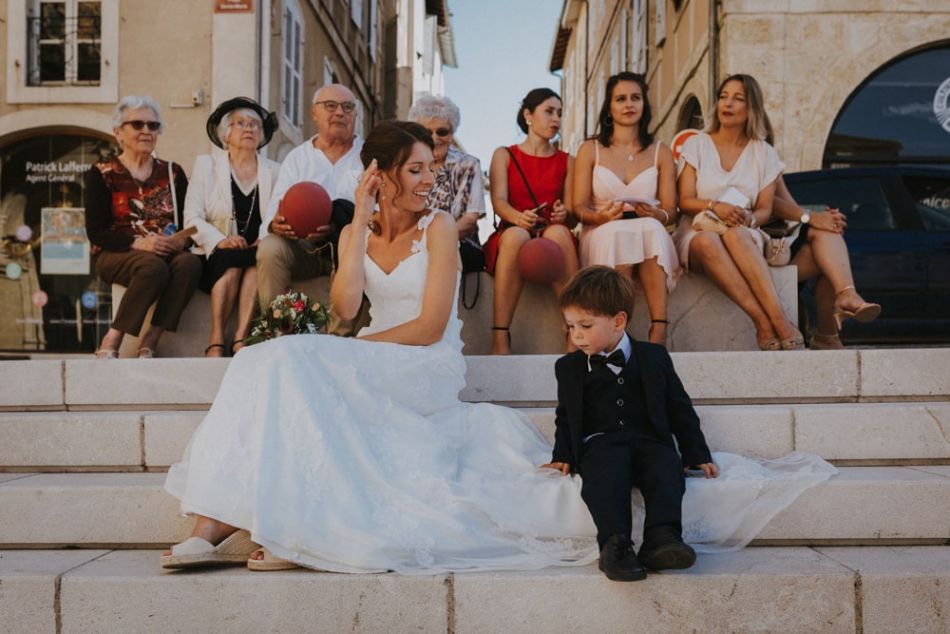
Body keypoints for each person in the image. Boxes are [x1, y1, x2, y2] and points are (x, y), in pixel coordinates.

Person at [161, 120, 597, 573]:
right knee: (256, 358)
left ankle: (281, 530)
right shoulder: (355, 232)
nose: (430, 180)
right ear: (381, 176)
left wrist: (353, 349)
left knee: (294, 358)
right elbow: (346, 307)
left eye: (431, 169)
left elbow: (430, 327)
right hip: (373, 355)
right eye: (415, 170)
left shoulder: (439, 226)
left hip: (426, 363)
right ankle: (214, 523)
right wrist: (357, 221)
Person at [542, 265, 836, 582]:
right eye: (570, 326)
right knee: (604, 476)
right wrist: (563, 455)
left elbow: (678, 407)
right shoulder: (569, 367)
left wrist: (695, 452)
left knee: (666, 469)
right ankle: (615, 545)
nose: (576, 335)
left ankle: (663, 537)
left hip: (650, 439)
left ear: (619, 321)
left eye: (585, 325)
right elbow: (566, 415)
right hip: (602, 442)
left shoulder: (654, 357)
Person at [675, 74, 804, 351]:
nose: (728, 103)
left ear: (751, 107)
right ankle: (764, 321)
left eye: (738, 98)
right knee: (707, 241)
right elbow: (684, 201)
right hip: (697, 230)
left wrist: (750, 218)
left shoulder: (764, 153)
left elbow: (765, 208)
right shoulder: (697, 144)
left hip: (744, 230)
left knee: (736, 235)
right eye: (723, 97)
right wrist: (715, 206)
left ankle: (779, 319)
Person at [84, 95, 201, 359]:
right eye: (137, 124)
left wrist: (180, 240)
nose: (146, 131)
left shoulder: (172, 172)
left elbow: (189, 220)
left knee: (189, 264)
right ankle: (113, 337)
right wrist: (139, 243)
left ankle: (152, 337)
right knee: (152, 267)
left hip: (165, 250)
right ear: (118, 132)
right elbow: (96, 232)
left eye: (153, 125)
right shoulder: (102, 172)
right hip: (116, 252)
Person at [572, 72, 680, 346]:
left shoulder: (660, 151)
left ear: (644, 104)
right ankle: (617, 331)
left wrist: (659, 214)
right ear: (609, 108)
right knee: (618, 233)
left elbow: (671, 210)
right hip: (601, 228)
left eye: (636, 98)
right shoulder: (590, 149)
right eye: (620, 99)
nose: (629, 104)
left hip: (647, 226)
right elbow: (578, 207)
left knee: (652, 229)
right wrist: (600, 216)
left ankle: (659, 330)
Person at [183, 97, 281, 356]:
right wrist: (220, 240)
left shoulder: (275, 171)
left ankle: (240, 339)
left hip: (256, 249)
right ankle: (216, 337)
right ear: (226, 134)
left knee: (257, 260)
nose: (249, 128)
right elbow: (192, 217)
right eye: (241, 123)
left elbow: (277, 213)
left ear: (261, 134)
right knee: (231, 261)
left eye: (255, 124)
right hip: (216, 253)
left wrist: (263, 238)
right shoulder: (206, 166)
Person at [485, 88, 579, 354]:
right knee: (516, 235)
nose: (556, 119)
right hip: (513, 229)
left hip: (553, 233)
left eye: (559, 113)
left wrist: (564, 214)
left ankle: (575, 331)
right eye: (549, 111)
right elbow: (499, 201)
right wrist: (519, 217)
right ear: (528, 115)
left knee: (558, 233)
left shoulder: (568, 161)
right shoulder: (504, 155)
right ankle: (500, 336)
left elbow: (572, 214)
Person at [256, 83, 363, 310]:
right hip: (305, 248)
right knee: (270, 248)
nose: (340, 112)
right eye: (331, 105)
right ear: (314, 112)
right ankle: (275, 326)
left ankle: (343, 330)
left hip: (352, 251)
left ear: (355, 114)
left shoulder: (368, 155)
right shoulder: (297, 158)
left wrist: (339, 224)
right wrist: (276, 225)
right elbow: (271, 217)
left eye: (347, 107)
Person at [772, 178, 881, 349]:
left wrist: (823, 218)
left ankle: (846, 296)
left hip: (778, 245)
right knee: (825, 245)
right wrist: (812, 217)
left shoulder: (766, 163)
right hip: (751, 247)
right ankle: (828, 334)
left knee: (828, 242)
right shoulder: (748, 164)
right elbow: (763, 202)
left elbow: (790, 206)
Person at [408, 93, 486, 271]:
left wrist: (431, 242)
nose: (435, 138)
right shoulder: (406, 164)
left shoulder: (468, 164)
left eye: (442, 131)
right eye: (427, 132)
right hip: (411, 243)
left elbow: (470, 220)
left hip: (459, 243)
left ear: (452, 134)